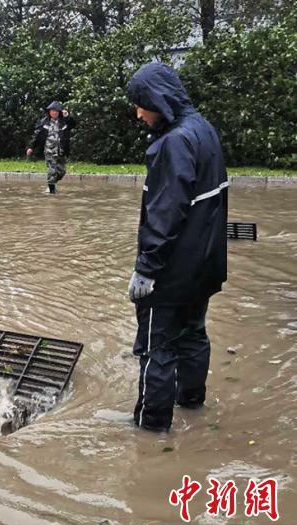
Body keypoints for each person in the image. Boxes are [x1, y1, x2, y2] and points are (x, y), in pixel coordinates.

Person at [126, 62, 228, 432]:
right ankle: (191, 403)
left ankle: (150, 432)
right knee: (193, 335)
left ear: (158, 100)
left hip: (171, 274)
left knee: (155, 348)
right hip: (204, 266)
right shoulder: (204, 130)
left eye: (141, 104)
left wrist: (146, 269)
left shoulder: (173, 142)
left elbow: (165, 215)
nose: (138, 113)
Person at [26, 101, 76, 194]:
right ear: (49, 112)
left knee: (62, 172)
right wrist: (31, 147)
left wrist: (68, 116)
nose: (54, 113)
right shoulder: (44, 122)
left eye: (56, 111)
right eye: (52, 111)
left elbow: (73, 124)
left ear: (59, 112)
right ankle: (52, 192)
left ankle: (51, 184)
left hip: (61, 150)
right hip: (49, 151)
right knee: (52, 171)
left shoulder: (64, 121)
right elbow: (36, 135)